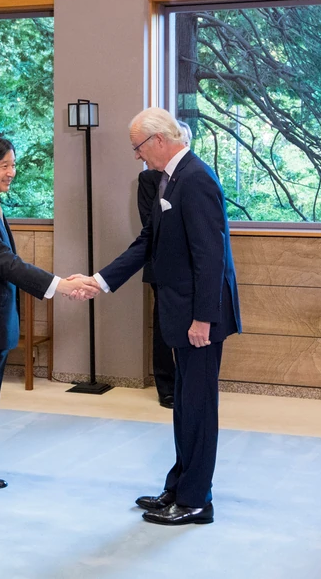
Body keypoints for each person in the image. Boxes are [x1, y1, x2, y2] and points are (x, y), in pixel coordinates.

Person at [77, 108, 241, 526]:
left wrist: (204, 317)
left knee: (199, 408)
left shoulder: (197, 179)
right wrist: (101, 280)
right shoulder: (170, 177)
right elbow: (147, 241)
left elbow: (210, 256)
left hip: (198, 318)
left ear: (159, 141)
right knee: (185, 405)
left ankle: (196, 501)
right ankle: (180, 485)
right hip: (181, 312)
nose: (136, 156)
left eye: (137, 147)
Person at [0, 136, 100, 500]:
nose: (13, 172)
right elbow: (6, 263)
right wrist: (61, 284)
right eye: (5, 166)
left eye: (13, 164)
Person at [137, 120, 192, 409]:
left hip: (187, 269)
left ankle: (188, 381)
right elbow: (150, 226)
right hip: (159, 264)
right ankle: (166, 385)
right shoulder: (148, 180)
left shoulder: (196, 177)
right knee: (162, 324)